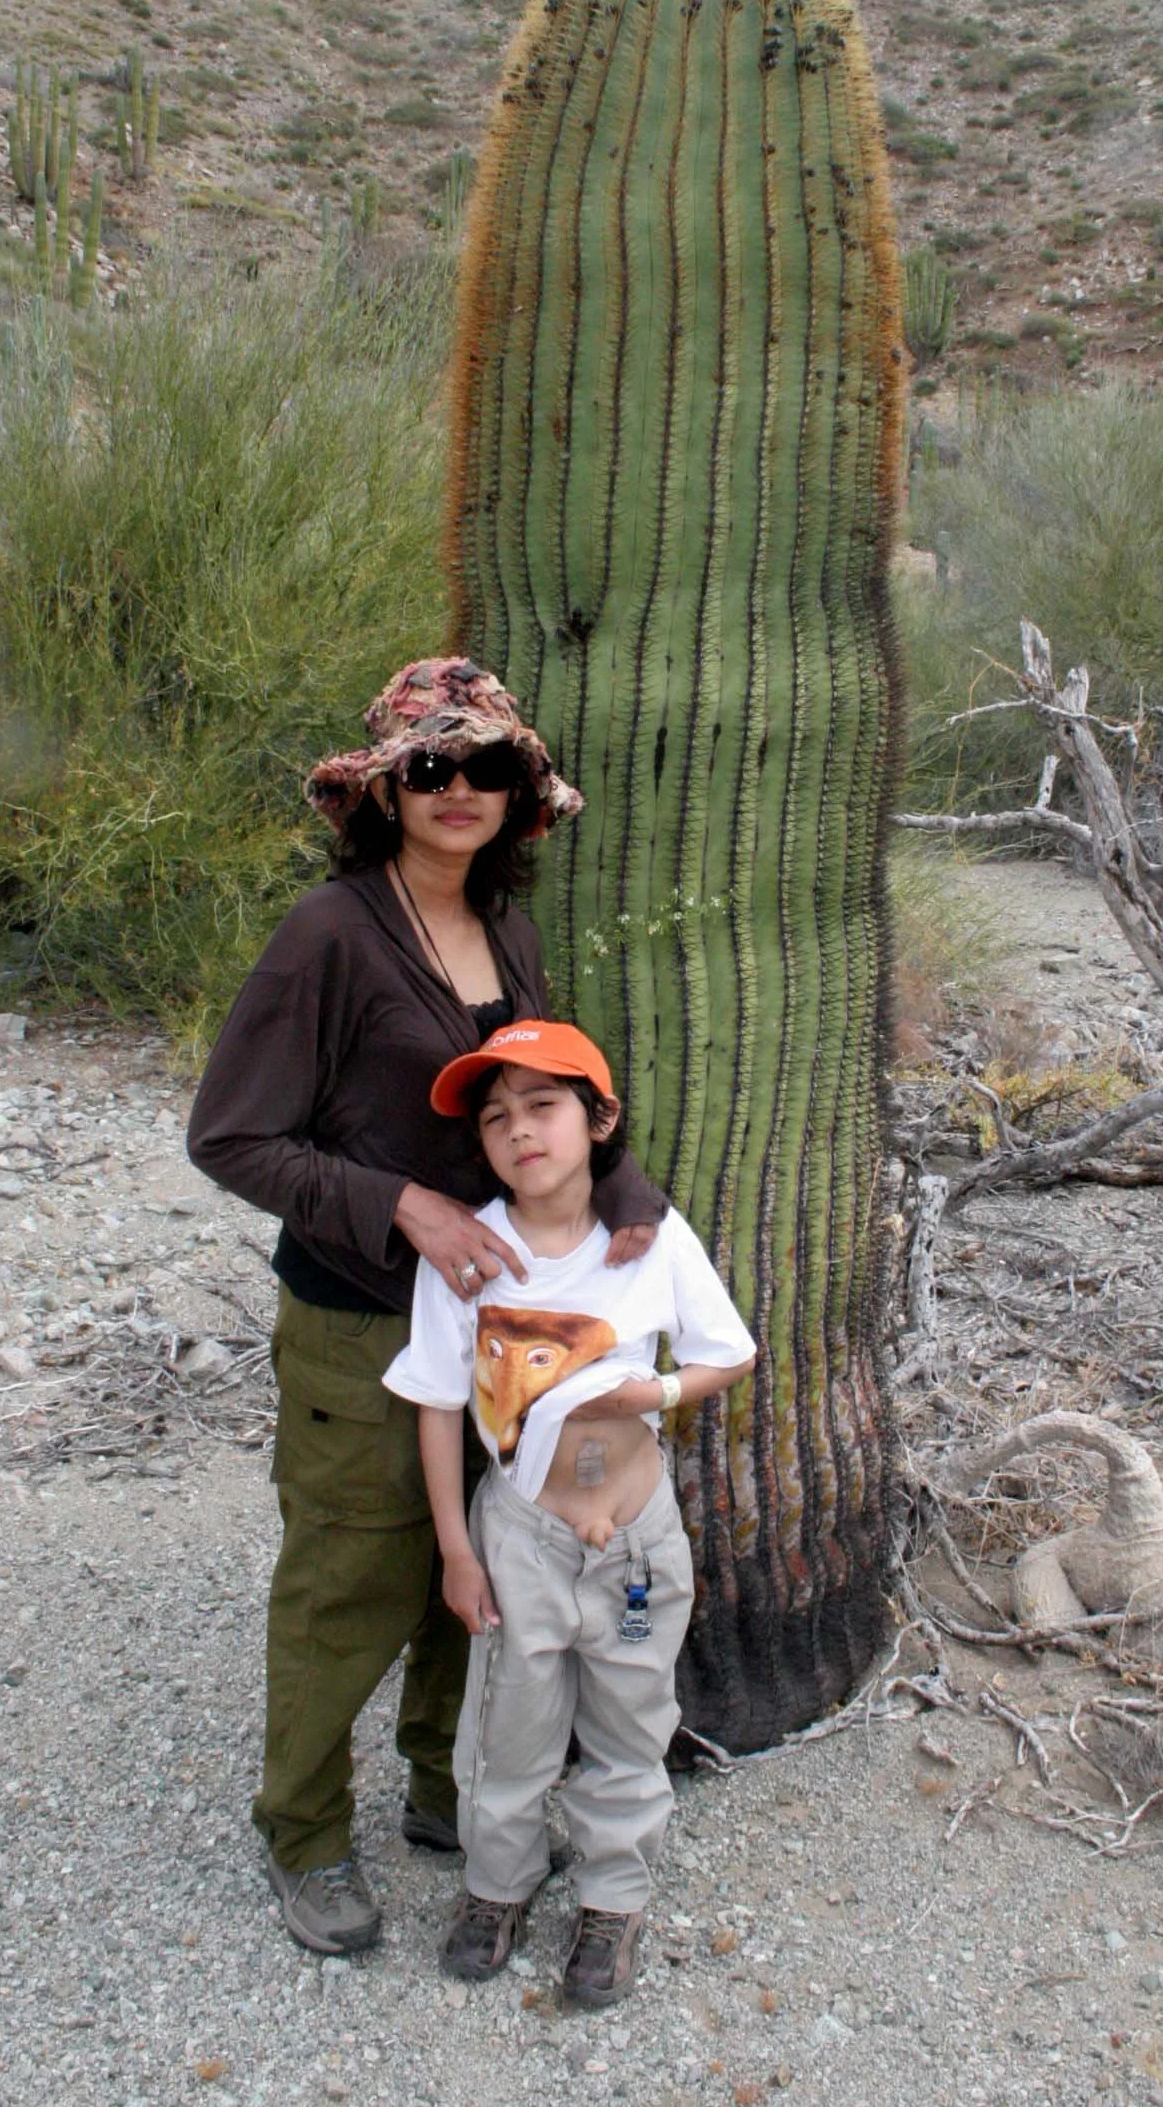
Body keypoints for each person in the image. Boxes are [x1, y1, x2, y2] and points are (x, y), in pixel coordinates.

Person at [185, 658, 664, 1960]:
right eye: (432, 765)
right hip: (359, 1317)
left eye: (488, 767)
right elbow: (230, 1136)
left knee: (490, 1560)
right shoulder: (330, 934)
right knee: (350, 1577)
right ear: (386, 790)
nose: (461, 788)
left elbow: (539, 1087)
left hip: (500, 1321)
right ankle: (303, 1830)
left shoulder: (507, 932)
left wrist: (621, 1188)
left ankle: (448, 1786)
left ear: (518, 795)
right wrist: (402, 1205)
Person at [383, 1019, 755, 2008]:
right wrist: (457, 1550)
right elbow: (434, 1400)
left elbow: (727, 1351)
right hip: (523, 1536)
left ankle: (611, 1897)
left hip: (635, 1542)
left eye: (542, 1105)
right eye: (495, 1116)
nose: (519, 1130)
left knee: (631, 1714)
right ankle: (496, 1884)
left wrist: (655, 1395)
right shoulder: (469, 1255)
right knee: (510, 1718)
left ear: (599, 1120)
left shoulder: (650, 1243)